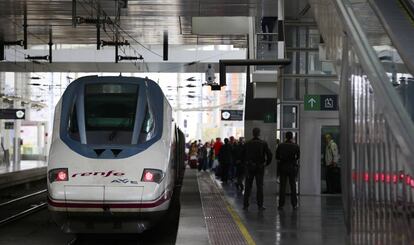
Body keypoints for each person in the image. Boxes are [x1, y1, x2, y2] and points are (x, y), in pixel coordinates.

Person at [243, 128, 272, 211]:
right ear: (259, 133)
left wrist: (245, 164)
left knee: (248, 186)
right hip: (260, 167)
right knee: (259, 187)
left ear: (253, 133)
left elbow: (242, 155)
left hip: (249, 167)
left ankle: (245, 205)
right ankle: (260, 205)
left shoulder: (247, 143)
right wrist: (266, 163)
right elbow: (269, 155)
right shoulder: (263, 143)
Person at [276, 132, 300, 211]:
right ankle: (294, 204)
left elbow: (277, 156)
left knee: (282, 186)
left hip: (283, 167)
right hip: (292, 167)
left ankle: (281, 204)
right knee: (293, 186)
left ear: (286, 137)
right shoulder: (296, 146)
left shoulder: (281, 145)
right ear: (292, 137)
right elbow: (298, 157)